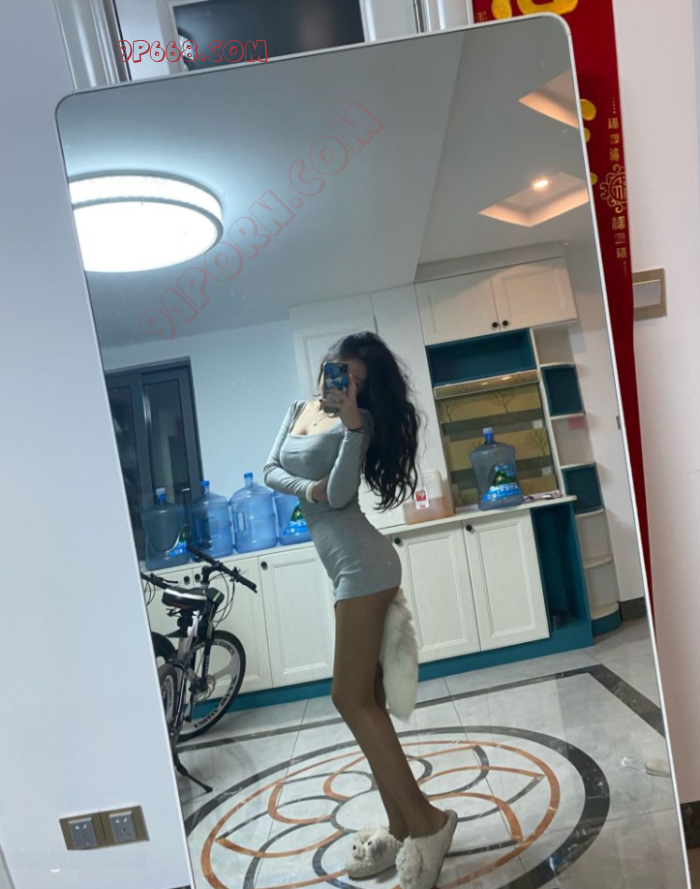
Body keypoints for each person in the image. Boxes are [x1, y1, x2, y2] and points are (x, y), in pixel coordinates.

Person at [264, 331, 457, 889]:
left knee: (347, 696)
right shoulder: (298, 410)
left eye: (353, 380)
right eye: (335, 369)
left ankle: (429, 823)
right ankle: (400, 825)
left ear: (364, 390)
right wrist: (312, 490)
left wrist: (351, 427)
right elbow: (270, 469)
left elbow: (344, 493)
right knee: (365, 699)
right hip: (347, 569)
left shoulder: (360, 424)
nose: (339, 382)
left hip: (364, 568)